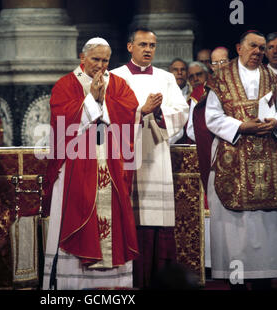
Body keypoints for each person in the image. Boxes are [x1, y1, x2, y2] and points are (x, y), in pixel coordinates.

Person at [41, 37, 139, 290]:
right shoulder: (65, 84)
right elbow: (61, 118)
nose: (100, 65)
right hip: (75, 164)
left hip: (110, 163)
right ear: (82, 58)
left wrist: (102, 101)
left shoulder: (118, 84)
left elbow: (129, 110)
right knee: (77, 213)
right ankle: (73, 285)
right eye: (95, 59)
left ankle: (113, 286)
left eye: (105, 60)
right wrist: (91, 100)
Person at [205, 30, 277, 290]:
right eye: (253, 47)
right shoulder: (220, 78)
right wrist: (241, 126)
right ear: (239, 48)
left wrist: (276, 121)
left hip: (268, 156)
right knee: (236, 229)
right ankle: (237, 281)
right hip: (233, 156)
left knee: (265, 224)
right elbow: (212, 116)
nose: (258, 52)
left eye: (262, 48)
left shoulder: (272, 78)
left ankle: (266, 276)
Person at [111, 27, 189, 289]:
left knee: (154, 218)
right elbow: (107, 116)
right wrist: (139, 111)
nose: (148, 50)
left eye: (152, 46)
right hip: (124, 154)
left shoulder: (166, 78)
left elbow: (181, 111)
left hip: (156, 153)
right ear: (130, 46)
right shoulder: (115, 77)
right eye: (142, 44)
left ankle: (157, 280)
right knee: (129, 216)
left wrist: (157, 114)